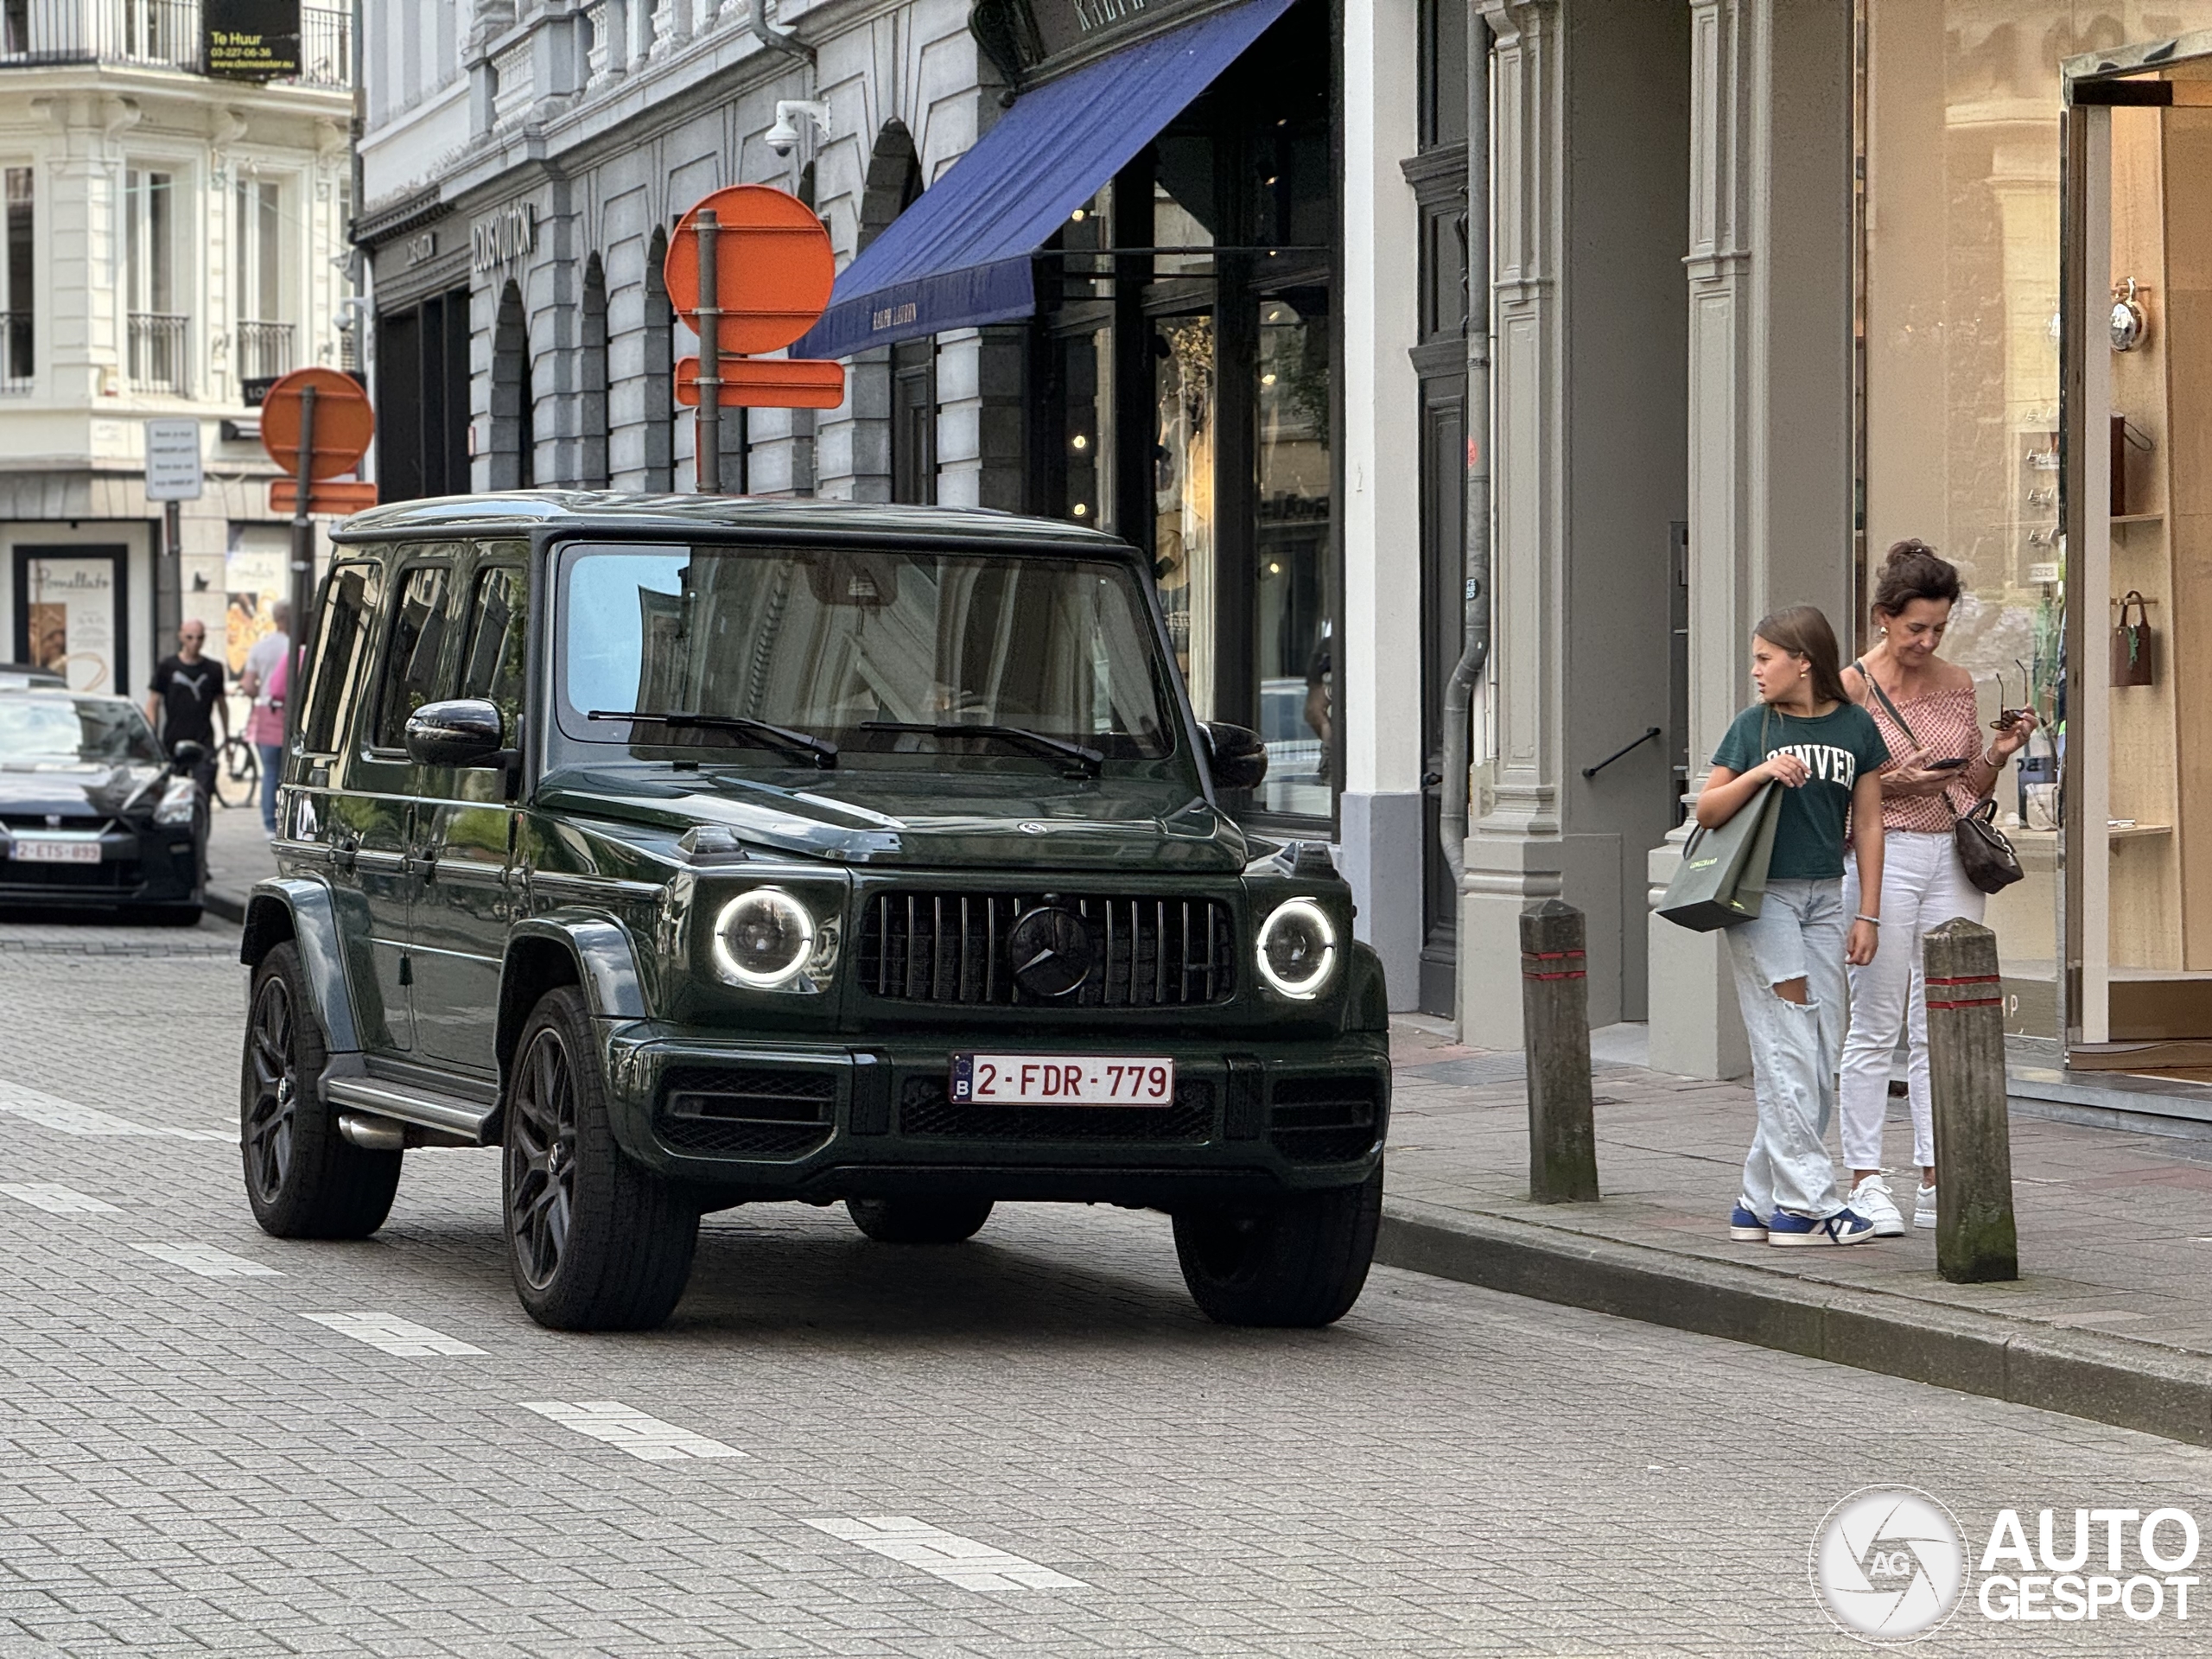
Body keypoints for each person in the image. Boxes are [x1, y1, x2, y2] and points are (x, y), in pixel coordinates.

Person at [1838, 542, 2041, 1233]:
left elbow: (1968, 787)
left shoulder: (1957, 683)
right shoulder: (1852, 687)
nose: (1926, 641)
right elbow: (1831, 791)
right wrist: (1893, 783)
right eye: (1914, 628)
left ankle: (1936, 1173)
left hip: (1950, 856)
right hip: (1881, 853)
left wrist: (1998, 754)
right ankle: (1864, 1178)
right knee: (1875, 1020)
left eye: (1938, 629)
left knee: (1942, 1022)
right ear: (1882, 619)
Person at [1696, 606, 1890, 1247]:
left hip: (1827, 899)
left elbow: (1867, 824)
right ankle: (1812, 1202)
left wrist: (1868, 911)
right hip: (1762, 898)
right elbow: (1709, 808)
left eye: (1764, 658)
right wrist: (1761, 771)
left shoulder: (1857, 728)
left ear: (1803, 661)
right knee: (1787, 1043)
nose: (1755, 670)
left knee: (1820, 1047)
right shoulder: (1753, 727)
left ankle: (1758, 1203)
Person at [147, 620, 226, 800]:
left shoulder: (214, 669)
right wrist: (152, 732)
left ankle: (200, 825)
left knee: (203, 792)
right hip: (174, 739)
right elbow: (153, 701)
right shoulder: (168, 667)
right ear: (181, 637)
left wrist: (226, 736)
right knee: (174, 794)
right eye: (190, 637)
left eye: (199, 638)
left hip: (203, 740)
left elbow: (221, 703)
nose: (194, 643)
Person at [238, 602, 291, 836]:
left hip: (266, 713)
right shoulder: (297, 646)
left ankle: (270, 824)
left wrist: (262, 691)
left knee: (269, 771)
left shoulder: (260, 648)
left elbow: (248, 685)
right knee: (292, 770)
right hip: (292, 713)